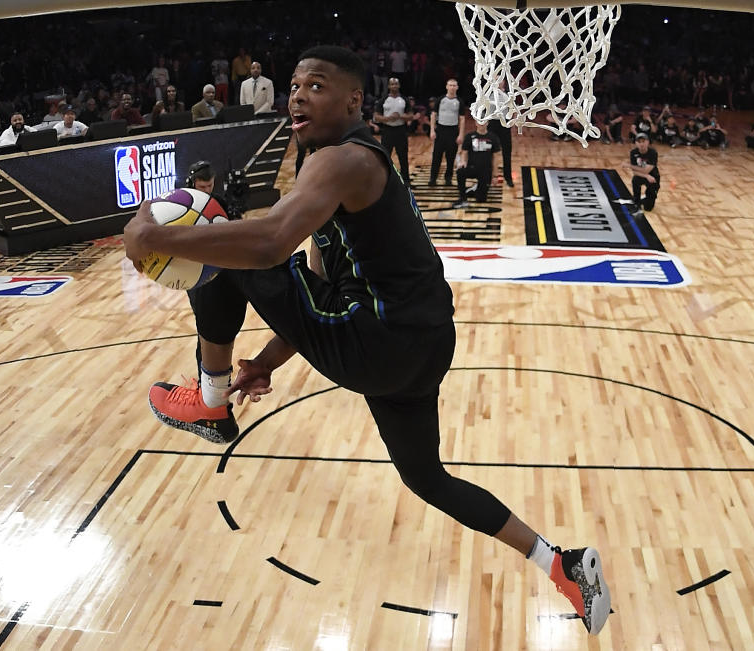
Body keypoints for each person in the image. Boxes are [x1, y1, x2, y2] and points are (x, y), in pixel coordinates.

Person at [123, 44, 611, 637]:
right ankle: (562, 564)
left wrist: (155, 237)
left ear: (354, 99)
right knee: (426, 478)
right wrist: (269, 361)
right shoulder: (338, 173)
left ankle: (210, 399)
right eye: (295, 84)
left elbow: (268, 245)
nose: (298, 93)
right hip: (420, 348)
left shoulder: (341, 160)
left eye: (317, 85)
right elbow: (320, 289)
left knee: (221, 241)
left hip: (382, 338)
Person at [373, 77, 413, 185]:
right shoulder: (383, 100)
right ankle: (384, 179)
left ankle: (406, 180)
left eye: (396, 84)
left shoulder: (404, 99)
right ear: (389, 86)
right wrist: (388, 118)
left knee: (403, 156)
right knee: (385, 156)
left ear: (399, 85)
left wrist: (400, 116)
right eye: (392, 84)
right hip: (387, 130)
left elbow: (410, 116)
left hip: (401, 130)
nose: (394, 86)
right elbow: (376, 116)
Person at [453, 120, 500, 207]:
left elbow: (496, 157)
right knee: (460, 171)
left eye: (483, 121)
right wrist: (463, 161)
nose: (481, 124)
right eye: (479, 121)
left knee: (481, 200)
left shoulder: (493, 138)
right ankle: (462, 198)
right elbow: (464, 152)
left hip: (485, 171)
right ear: (475, 123)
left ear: (487, 123)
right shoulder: (470, 136)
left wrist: (495, 176)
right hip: (472, 168)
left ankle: (474, 190)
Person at [429, 79, 466, 186]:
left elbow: (462, 119)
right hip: (440, 130)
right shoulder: (440, 100)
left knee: (451, 157)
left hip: (453, 131)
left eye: (454, 85)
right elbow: (433, 115)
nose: (452, 87)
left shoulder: (459, 101)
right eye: (450, 85)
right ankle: (433, 178)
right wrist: (432, 130)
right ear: (446, 86)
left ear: (457, 87)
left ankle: (448, 178)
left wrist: (461, 134)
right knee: (436, 156)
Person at [629, 132, 659, 212]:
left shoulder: (653, 153)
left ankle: (647, 198)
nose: (641, 144)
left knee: (648, 208)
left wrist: (629, 166)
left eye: (643, 141)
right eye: (639, 142)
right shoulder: (633, 153)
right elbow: (635, 172)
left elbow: (647, 170)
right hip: (644, 176)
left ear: (648, 142)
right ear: (636, 143)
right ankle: (636, 200)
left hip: (653, 177)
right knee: (635, 180)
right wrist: (646, 176)